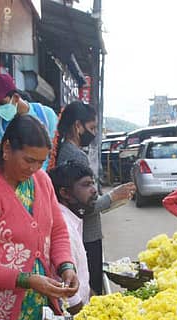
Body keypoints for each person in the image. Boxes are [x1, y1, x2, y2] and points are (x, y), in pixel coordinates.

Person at [0, 114, 79, 320]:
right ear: (7, 149)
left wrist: (66, 266)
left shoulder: (41, 180)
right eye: (29, 160)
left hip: (39, 306)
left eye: (40, 162)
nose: (34, 169)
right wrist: (26, 280)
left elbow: (58, 230)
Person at [54, 101, 134, 295]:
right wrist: (113, 196)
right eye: (92, 128)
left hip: (84, 232)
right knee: (90, 287)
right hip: (86, 235)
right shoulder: (74, 156)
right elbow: (84, 206)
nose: (94, 133)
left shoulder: (67, 151)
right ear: (78, 126)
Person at [48, 161, 97, 313]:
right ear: (65, 193)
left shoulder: (72, 219)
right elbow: (68, 294)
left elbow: (81, 277)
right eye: (86, 185)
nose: (94, 190)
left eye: (93, 183)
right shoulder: (64, 227)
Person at [0, 73, 58, 165]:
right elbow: (3, 157)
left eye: (2, 103)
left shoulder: (47, 115)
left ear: (16, 98)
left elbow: (52, 154)